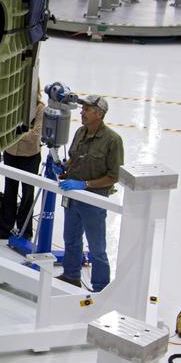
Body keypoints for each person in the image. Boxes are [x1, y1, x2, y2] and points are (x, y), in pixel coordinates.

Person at [58, 94, 124, 292]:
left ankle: (100, 287)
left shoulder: (112, 141)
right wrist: (63, 167)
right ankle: (71, 276)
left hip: (94, 201)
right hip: (72, 196)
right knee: (70, 239)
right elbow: (73, 159)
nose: (82, 112)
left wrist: (85, 184)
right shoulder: (80, 132)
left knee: (97, 248)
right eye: (83, 109)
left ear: (100, 114)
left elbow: (114, 176)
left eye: (87, 109)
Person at [0, 86, 45, 242]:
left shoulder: (41, 109)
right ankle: (4, 229)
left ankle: (25, 232)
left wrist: (15, 133)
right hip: (11, 153)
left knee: (28, 194)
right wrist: (18, 133)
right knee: (9, 191)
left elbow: (35, 135)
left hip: (30, 156)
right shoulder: (14, 103)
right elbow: (5, 125)